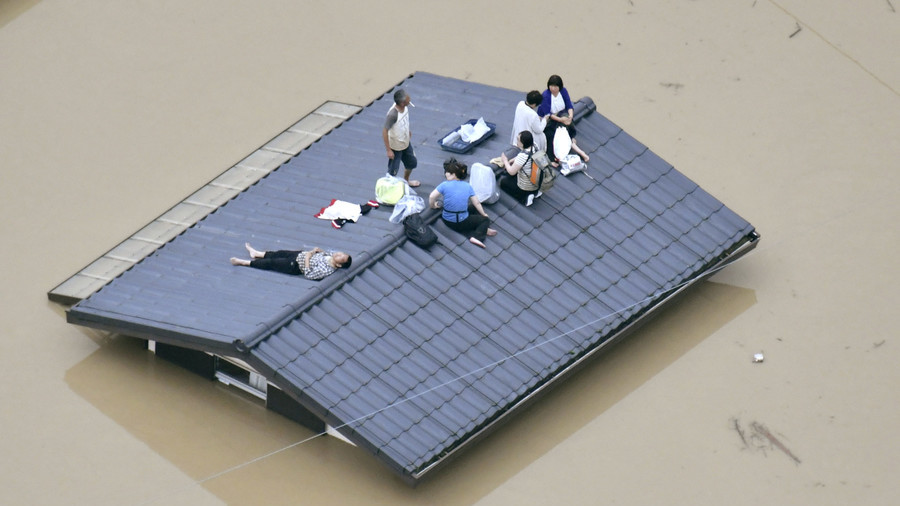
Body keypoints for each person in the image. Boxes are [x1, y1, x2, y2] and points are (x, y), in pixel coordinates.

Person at [429, 158, 498, 248]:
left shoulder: (444, 185)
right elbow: (477, 203)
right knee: (484, 220)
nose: (446, 174)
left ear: (453, 175)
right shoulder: (467, 186)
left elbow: (431, 196)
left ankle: (483, 229)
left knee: (472, 208)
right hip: (461, 221)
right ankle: (477, 236)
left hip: (447, 219)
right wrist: (484, 214)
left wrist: (433, 206)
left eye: (448, 172)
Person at [537, 74, 590, 164]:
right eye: (551, 86)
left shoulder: (563, 91)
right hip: (549, 119)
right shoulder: (546, 95)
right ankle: (576, 150)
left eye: (555, 86)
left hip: (562, 114)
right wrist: (562, 120)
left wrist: (570, 116)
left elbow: (569, 105)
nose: (553, 88)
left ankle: (573, 141)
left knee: (565, 124)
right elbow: (548, 114)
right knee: (552, 134)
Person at [230, 243, 351, 280]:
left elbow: (309, 275)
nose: (338, 254)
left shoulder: (327, 270)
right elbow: (326, 253)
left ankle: (244, 262)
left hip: (296, 266)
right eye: (341, 253)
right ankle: (256, 253)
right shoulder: (330, 255)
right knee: (279, 253)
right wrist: (318, 250)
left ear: (339, 264)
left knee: (272, 263)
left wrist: (308, 258)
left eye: (341, 257)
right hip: (299, 255)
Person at [382, 89, 420, 187]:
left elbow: (404, 122)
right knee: (393, 171)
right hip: (395, 147)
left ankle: (406, 180)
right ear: (402, 103)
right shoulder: (393, 115)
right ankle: (389, 189)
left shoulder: (405, 108)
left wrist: (407, 132)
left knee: (412, 163)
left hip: (405, 142)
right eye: (407, 100)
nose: (409, 100)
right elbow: (385, 131)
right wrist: (388, 150)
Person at [499, 131, 542, 207]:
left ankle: (525, 196)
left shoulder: (523, 156)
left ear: (523, 143)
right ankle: (535, 191)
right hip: (537, 179)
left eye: (518, 140)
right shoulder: (534, 146)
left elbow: (511, 171)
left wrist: (505, 160)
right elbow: (524, 158)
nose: (517, 141)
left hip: (527, 186)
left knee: (503, 182)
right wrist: (513, 160)